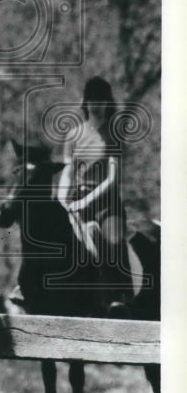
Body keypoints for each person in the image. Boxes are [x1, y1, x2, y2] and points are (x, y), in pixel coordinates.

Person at [57, 76, 130, 306]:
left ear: (108, 103)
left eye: (101, 100)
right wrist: (61, 197)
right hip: (76, 199)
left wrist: (86, 201)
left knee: (113, 237)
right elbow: (68, 172)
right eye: (92, 100)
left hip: (106, 204)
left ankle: (120, 293)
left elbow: (112, 179)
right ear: (86, 103)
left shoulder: (114, 135)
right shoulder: (74, 135)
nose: (96, 105)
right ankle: (28, 283)